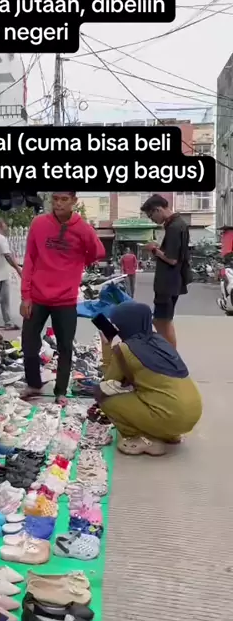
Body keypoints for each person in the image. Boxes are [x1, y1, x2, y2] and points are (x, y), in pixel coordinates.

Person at [21, 191, 105, 406]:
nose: (58, 203)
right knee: (28, 342)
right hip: (38, 296)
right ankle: (34, 384)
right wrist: (25, 296)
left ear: (74, 201)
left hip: (65, 299)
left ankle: (60, 391)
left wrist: (81, 258)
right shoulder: (39, 224)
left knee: (65, 346)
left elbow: (98, 252)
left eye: (64, 199)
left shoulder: (82, 228)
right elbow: (30, 258)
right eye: (55, 199)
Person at [98, 301, 202, 456]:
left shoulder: (125, 349)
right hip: (192, 413)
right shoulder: (159, 340)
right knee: (148, 392)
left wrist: (106, 347)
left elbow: (108, 384)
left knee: (105, 398)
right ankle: (168, 434)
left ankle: (143, 439)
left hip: (171, 415)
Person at [140, 194, 191, 348]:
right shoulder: (178, 224)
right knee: (161, 320)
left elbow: (172, 259)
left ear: (158, 209)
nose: (152, 220)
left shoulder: (174, 227)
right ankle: (169, 353)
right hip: (172, 281)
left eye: (151, 216)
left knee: (162, 321)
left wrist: (153, 249)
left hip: (168, 282)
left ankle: (171, 355)